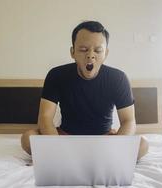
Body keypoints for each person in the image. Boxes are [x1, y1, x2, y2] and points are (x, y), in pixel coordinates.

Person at [21, 21, 148, 160]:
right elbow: (45, 118)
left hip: (104, 140)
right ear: (72, 52)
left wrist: (116, 145)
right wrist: (57, 146)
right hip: (65, 138)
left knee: (143, 145)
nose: (90, 55)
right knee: (27, 138)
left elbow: (128, 121)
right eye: (83, 49)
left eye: (98, 50)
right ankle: (71, 158)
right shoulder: (56, 75)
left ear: (106, 53)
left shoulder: (118, 78)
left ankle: (86, 159)